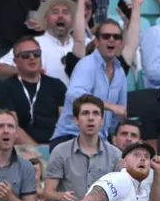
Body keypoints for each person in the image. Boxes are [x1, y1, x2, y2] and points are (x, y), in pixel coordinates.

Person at [44, 95, 121, 201]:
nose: (91, 118)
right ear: (75, 120)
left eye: (96, 113)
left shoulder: (115, 154)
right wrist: (61, 196)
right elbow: (48, 194)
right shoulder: (60, 151)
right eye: (85, 113)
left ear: (102, 120)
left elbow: (121, 196)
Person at [48, 19, 127, 151]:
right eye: (106, 36)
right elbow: (74, 94)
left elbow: (119, 114)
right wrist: (110, 106)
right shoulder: (87, 64)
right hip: (70, 137)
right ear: (96, 41)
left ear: (121, 42)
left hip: (100, 141)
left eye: (117, 37)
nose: (112, 40)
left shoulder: (120, 72)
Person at [0, 36, 67, 145]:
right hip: (22, 150)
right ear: (15, 61)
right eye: (25, 55)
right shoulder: (6, 88)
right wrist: (39, 151)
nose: (32, 58)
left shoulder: (57, 85)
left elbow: (65, 122)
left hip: (57, 148)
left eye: (36, 54)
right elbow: (12, 128)